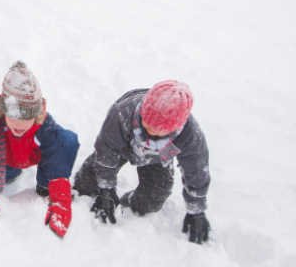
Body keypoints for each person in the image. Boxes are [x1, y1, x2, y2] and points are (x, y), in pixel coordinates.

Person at [73, 80, 212, 244]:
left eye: (157, 131)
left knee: (154, 197)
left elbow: (196, 172)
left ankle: (129, 203)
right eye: (146, 124)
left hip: (158, 158)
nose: (149, 131)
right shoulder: (123, 113)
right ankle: (81, 192)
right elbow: (106, 151)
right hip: (123, 146)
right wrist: (106, 191)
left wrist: (196, 211)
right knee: (89, 180)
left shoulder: (189, 135)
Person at [0, 61, 80, 238]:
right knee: (0, 178)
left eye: (26, 117)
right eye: (13, 116)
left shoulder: (44, 126)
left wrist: (61, 203)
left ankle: (43, 184)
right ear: (4, 110)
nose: (19, 124)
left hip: (33, 155)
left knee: (68, 140)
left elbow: (56, 162)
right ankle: (11, 174)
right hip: (7, 160)